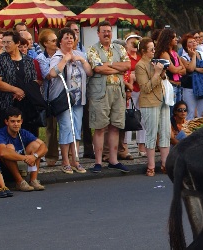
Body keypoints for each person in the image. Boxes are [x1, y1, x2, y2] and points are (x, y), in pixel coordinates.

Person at [86, 21, 131, 173]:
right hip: (100, 92)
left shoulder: (119, 48)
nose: (106, 34)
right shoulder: (92, 49)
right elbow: (98, 68)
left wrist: (109, 65)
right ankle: (98, 162)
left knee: (115, 126)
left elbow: (127, 65)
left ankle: (113, 160)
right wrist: (117, 68)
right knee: (99, 127)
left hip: (118, 91)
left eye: (109, 31)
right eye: (103, 31)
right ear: (98, 33)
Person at [47, 28, 93, 174]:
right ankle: (65, 160)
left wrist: (81, 60)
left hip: (79, 98)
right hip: (64, 99)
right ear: (60, 41)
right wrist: (65, 60)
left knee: (76, 129)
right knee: (66, 127)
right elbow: (53, 73)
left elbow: (89, 72)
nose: (69, 40)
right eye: (66, 38)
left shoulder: (80, 54)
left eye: (71, 38)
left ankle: (76, 160)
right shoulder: (57, 56)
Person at [0, 31, 45, 137]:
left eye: (8, 42)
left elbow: (34, 81)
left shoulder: (28, 60)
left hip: (27, 102)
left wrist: (22, 92)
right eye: (4, 42)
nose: (5, 45)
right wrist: (15, 90)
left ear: (17, 43)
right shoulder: (1, 60)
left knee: (28, 132)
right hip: (6, 102)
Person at [135, 38, 171, 176]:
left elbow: (162, 82)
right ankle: (150, 165)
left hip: (162, 101)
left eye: (154, 49)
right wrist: (156, 73)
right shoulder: (140, 66)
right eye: (151, 49)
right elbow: (145, 88)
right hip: (149, 102)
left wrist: (162, 73)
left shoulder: (154, 63)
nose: (154, 51)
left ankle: (164, 163)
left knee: (165, 132)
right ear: (143, 51)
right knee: (151, 133)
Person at [0, 107, 48, 191]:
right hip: (5, 169)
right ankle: (19, 182)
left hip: (22, 164)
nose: (16, 124)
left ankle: (33, 180)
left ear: (21, 121)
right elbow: (2, 153)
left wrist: (34, 156)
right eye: (12, 121)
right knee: (9, 147)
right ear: (6, 122)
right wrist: (25, 158)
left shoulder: (23, 132)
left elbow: (44, 146)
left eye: (18, 121)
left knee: (36, 145)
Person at [36, 29, 60, 167]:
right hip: (49, 97)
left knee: (65, 125)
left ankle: (68, 155)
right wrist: (61, 65)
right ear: (45, 43)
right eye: (53, 40)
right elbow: (47, 75)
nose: (56, 42)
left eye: (56, 39)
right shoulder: (41, 58)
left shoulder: (60, 55)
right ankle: (51, 155)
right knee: (51, 127)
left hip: (62, 95)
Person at [181, 33, 203, 118]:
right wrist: (194, 56)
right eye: (190, 42)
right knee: (190, 112)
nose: (194, 43)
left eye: (194, 41)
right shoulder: (183, 58)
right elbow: (190, 68)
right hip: (189, 88)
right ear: (186, 45)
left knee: (202, 112)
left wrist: (196, 69)